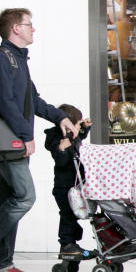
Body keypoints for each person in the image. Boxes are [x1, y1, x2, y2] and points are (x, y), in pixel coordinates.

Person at [0, 8, 78, 272]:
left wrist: (61, 116)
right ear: (15, 28)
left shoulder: (18, 60)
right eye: (29, 24)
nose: (33, 29)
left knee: (9, 197)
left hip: (12, 141)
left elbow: (34, 101)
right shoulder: (0, 60)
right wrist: (26, 136)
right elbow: (6, 103)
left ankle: (4, 262)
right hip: (8, 142)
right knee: (25, 196)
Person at [45, 103, 92, 258]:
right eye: (77, 124)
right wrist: (62, 149)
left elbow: (81, 136)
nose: (79, 128)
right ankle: (66, 244)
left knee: (74, 215)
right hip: (64, 187)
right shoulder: (59, 140)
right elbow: (61, 161)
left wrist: (84, 128)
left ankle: (71, 242)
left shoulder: (73, 135)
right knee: (67, 214)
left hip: (76, 185)